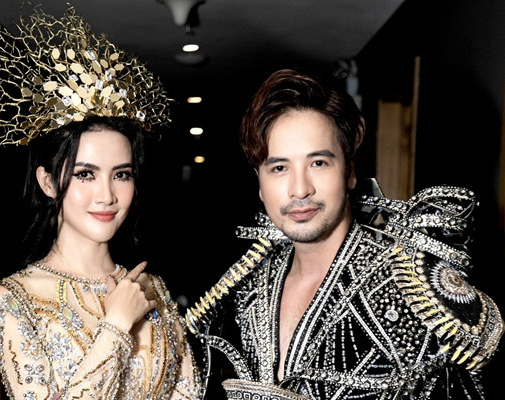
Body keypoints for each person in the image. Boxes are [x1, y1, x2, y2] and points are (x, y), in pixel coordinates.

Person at [184, 68, 503, 399]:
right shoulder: (249, 287)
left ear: (349, 172)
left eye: (318, 163)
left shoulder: (408, 288)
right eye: (279, 168)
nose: (300, 189)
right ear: (261, 185)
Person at [0, 5, 202, 400]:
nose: (107, 195)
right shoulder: (14, 298)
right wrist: (116, 325)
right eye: (85, 174)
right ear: (48, 181)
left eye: (121, 174)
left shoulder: (151, 287)